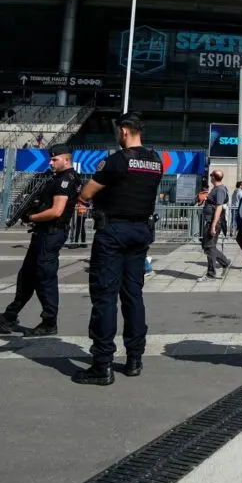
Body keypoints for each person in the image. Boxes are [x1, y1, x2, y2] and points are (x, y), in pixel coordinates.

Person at [73, 113, 164, 385]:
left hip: (113, 232)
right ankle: (135, 358)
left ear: (124, 131)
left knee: (105, 296)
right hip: (141, 232)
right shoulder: (155, 162)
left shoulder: (117, 161)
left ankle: (103, 364)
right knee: (133, 295)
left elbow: (87, 193)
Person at [0, 144, 81, 336]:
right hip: (43, 233)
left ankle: (49, 322)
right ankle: (10, 316)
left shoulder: (66, 180)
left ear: (66, 159)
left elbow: (57, 211)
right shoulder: (57, 178)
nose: (51, 162)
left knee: (45, 278)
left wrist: (31, 217)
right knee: (27, 275)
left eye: (55, 159)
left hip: (51, 233)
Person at [199, 170, 233, 280]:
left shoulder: (220, 190)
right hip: (210, 221)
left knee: (209, 247)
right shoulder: (216, 189)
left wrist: (213, 225)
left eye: (211, 175)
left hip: (214, 222)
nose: (210, 177)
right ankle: (225, 263)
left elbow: (219, 207)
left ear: (214, 177)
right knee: (208, 246)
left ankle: (211, 273)